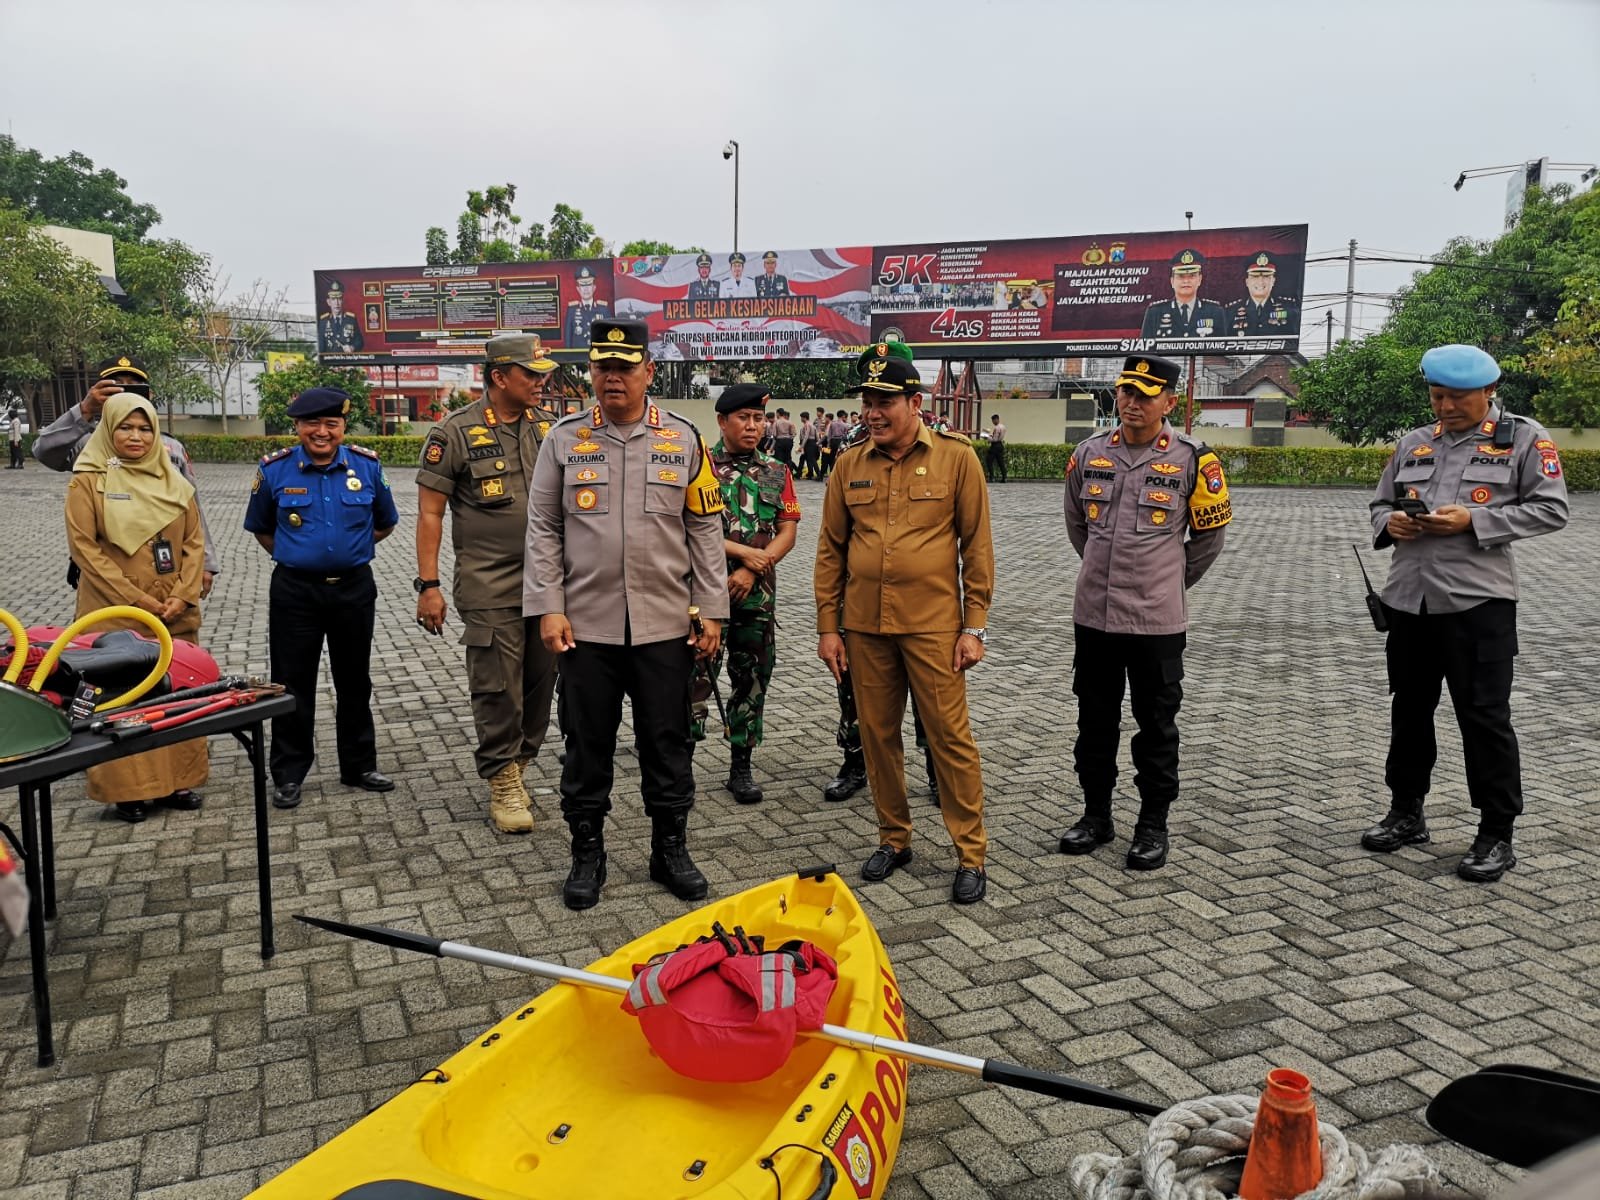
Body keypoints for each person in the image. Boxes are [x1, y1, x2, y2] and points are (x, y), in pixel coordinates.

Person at [524, 317, 728, 910]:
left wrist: (712, 607)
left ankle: (670, 850)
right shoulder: (562, 439)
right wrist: (548, 607)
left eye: (624, 368)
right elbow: (543, 527)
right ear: (591, 372)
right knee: (586, 746)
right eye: (602, 368)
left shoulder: (683, 439)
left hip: (666, 625)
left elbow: (704, 528)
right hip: (585, 628)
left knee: (668, 743)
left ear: (648, 372)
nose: (612, 378)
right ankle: (587, 854)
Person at [1360, 344, 1568, 883]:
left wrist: (1474, 521)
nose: (1445, 406)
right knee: (1410, 710)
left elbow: (1551, 508)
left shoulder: (1523, 438)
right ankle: (1406, 812)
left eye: (1456, 397)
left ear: (1488, 392)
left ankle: (1497, 832)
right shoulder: (1414, 443)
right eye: (1437, 396)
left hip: (1479, 604)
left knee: (1484, 717)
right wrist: (1392, 526)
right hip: (1409, 600)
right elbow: (1380, 505)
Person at [815, 350, 995, 904]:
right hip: (866, 628)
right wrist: (829, 627)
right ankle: (894, 839)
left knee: (949, 739)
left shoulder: (957, 460)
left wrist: (975, 626)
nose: (873, 412)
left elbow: (977, 547)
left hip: (935, 628)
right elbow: (830, 552)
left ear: (916, 403)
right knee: (877, 738)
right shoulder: (850, 464)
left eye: (885, 401)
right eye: (867, 402)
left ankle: (971, 853)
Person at [1059, 356, 1232, 870]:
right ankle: (1096, 816)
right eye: (1125, 392)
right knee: (1094, 721)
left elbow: (1208, 539)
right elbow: (1078, 525)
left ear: (1169, 402)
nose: (1131, 402)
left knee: (1156, 726)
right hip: (1094, 615)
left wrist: (1168, 582)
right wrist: (1104, 570)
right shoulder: (1088, 453)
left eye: (1145, 394)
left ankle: (1152, 824)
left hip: (1157, 621)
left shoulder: (1194, 460)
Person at [416, 334, 560, 833]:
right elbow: (430, 513)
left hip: (549, 583)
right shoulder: (454, 432)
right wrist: (427, 584)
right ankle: (502, 776)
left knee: (542, 683)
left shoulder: (551, 429)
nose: (542, 381)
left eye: (542, 372)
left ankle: (520, 765)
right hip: (488, 583)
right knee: (499, 686)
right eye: (531, 374)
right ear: (500, 377)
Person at [244, 387, 399, 809]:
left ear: (343, 426)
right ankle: (290, 773)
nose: (322, 431)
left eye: (331, 423)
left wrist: (350, 549)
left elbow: (385, 521)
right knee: (293, 683)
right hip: (296, 591)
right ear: (297, 426)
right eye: (312, 423)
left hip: (353, 588)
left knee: (354, 680)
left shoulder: (366, 467)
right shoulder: (274, 471)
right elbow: (260, 527)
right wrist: (298, 554)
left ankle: (359, 765)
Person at [65, 394, 207, 822]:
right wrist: (139, 599)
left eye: (145, 428)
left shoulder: (173, 479)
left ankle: (179, 780)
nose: (136, 436)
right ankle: (129, 790)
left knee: (178, 690)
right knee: (120, 697)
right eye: (126, 427)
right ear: (108, 429)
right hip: (113, 609)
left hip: (172, 609)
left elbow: (195, 542)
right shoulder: (87, 481)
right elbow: (85, 550)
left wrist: (183, 593)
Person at [690, 383, 801, 803]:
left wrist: (754, 570)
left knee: (752, 680)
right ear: (722, 421)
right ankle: (680, 763)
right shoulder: (699, 467)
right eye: (744, 418)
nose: (753, 426)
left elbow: (786, 532)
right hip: (704, 595)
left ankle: (741, 766)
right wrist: (743, 556)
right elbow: (691, 530)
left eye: (759, 418)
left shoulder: (777, 471)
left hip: (757, 598)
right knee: (694, 677)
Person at [34, 356, 219, 595]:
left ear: (149, 396)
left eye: (133, 385)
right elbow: (44, 451)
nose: (124, 391)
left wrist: (205, 562)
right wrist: (85, 409)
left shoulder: (170, 448)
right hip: (109, 572)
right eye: (115, 385)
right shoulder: (89, 445)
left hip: (165, 567)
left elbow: (192, 507)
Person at [1139, 249, 1230, 340]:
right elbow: (1145, 351)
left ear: (1200, 279)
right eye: (1181, 276)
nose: (1186, 281)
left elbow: (1221, 350)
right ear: (1172, 281)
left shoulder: (1214, 312)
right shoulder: (1155, 312)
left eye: (1192, 276)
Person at [1227, 251, 1299, 336]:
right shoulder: (1231, 311)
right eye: (1255, 276)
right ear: (1247, 282)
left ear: (1273, 281)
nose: (1260, 281)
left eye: (1266, 276)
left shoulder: (1289, 308)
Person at [564, 265, 609, 348]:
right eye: (583, 286)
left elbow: (609, 336)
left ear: (594, 288)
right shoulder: (572, 310)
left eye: (588, 285)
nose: (586, 289)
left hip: (598, 355)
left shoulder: (603, 309)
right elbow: (568, 338)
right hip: (578, 358)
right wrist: (569, 359)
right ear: (578, 289)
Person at [317, 280, 364, 353]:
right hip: (330, 362)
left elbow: (360, 342)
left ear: (343, 301)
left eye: (339, 299)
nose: (337, 303)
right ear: (328, 302)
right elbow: (321, 348)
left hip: (348, 361)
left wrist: (352, 347)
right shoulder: (324, 321)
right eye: (333, 299)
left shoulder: (351, 319)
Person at [798, 409, 821, 480]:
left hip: (809, 443)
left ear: (804, 417)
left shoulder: (807, 425)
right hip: (813, 443)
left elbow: (806, 436)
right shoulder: (813, 425)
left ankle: (819, 474)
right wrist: (818, 444)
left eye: (801, 417)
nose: (801, 419)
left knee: (812, 459)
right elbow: (817, 436)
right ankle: (809, 474)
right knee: (807, 458)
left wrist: (801, 446)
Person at [987, 413, 1008, 483]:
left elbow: (995, 439)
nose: (993, 422)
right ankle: (1004, 477)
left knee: (989, 461)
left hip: (995, 446)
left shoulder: (996, 428)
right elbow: (998, 437)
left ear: (996, 420)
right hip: (1000, 445)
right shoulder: (1003, 426)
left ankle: (992, 477)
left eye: (993, 421)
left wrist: (987, 438)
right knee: (1001, 462)